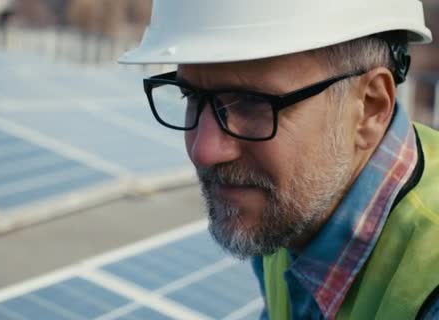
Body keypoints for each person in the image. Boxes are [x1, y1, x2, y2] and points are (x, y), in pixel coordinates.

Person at [118, 1, 439, 319]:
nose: (204, 150)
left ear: (369, 108)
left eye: (252, 103)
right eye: (191, 96)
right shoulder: (289, 215)